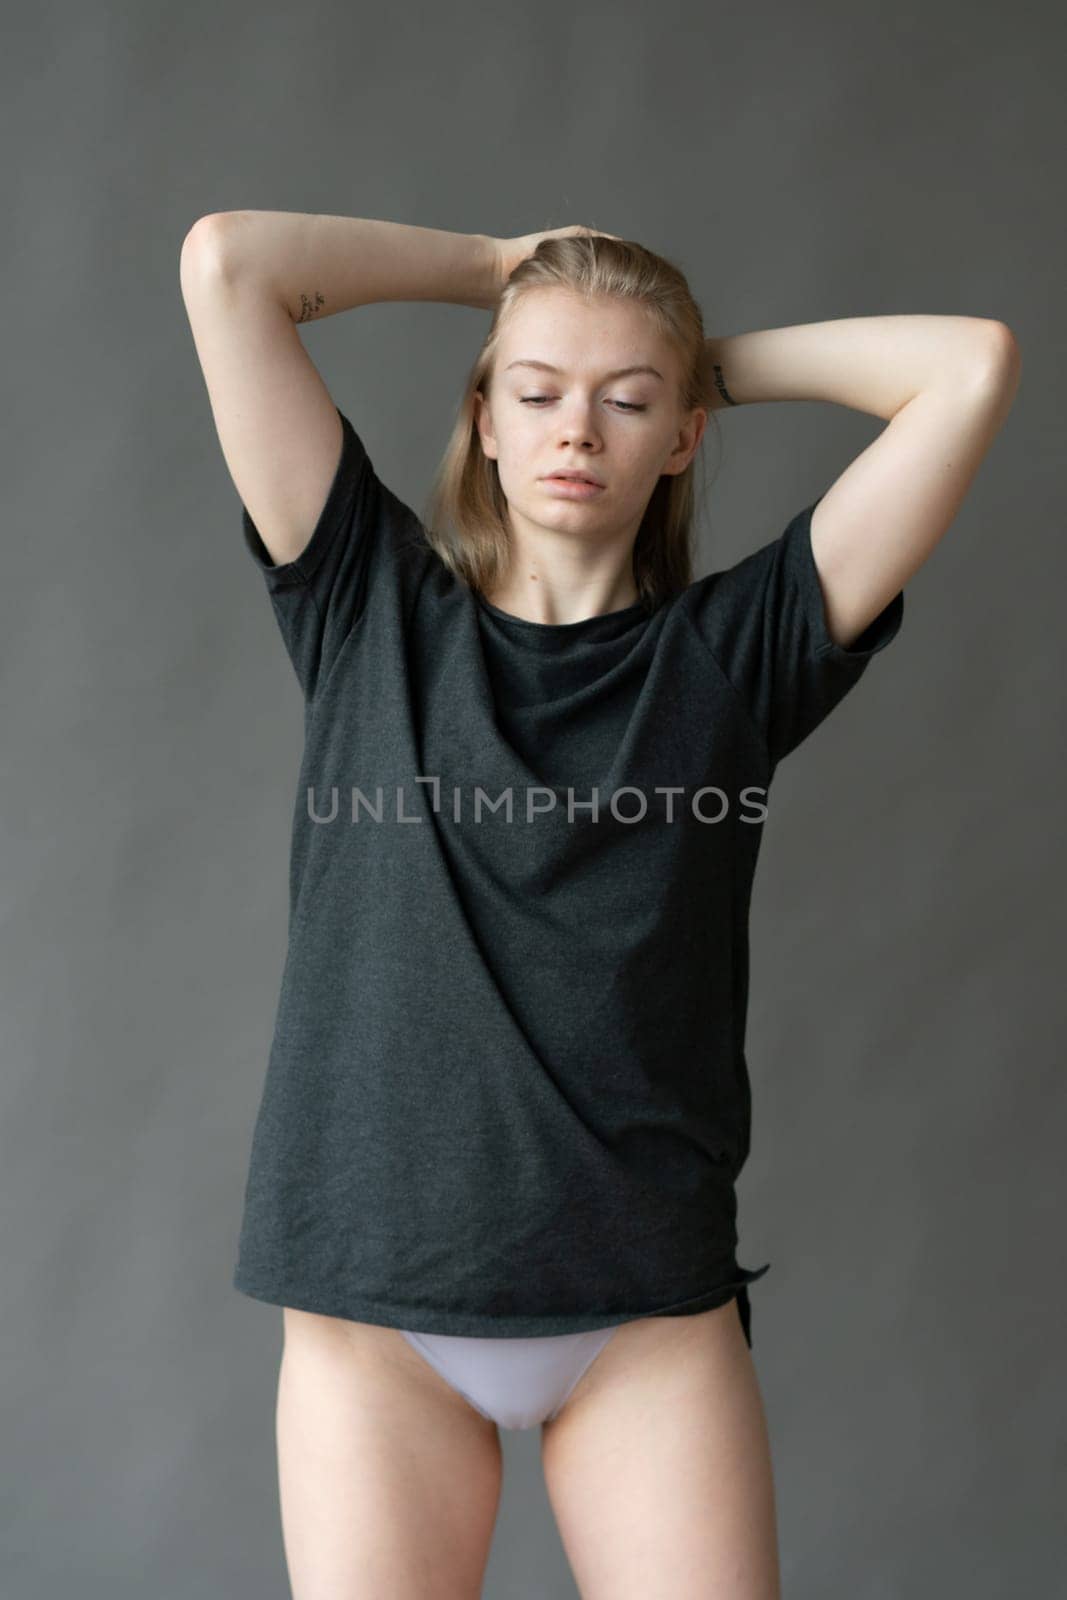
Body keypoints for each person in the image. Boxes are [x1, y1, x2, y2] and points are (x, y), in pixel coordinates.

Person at [179, 214, 1020, 1599]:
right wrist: (499, 268)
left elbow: (970, 369)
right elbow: (227, 266)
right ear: (487, 418)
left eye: (628, 404)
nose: (581, 428)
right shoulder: (361, 602)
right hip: (374, 1311)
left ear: (681, 440)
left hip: (643, 1314)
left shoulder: (737, 655)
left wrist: (690, 360)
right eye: (538, 392)